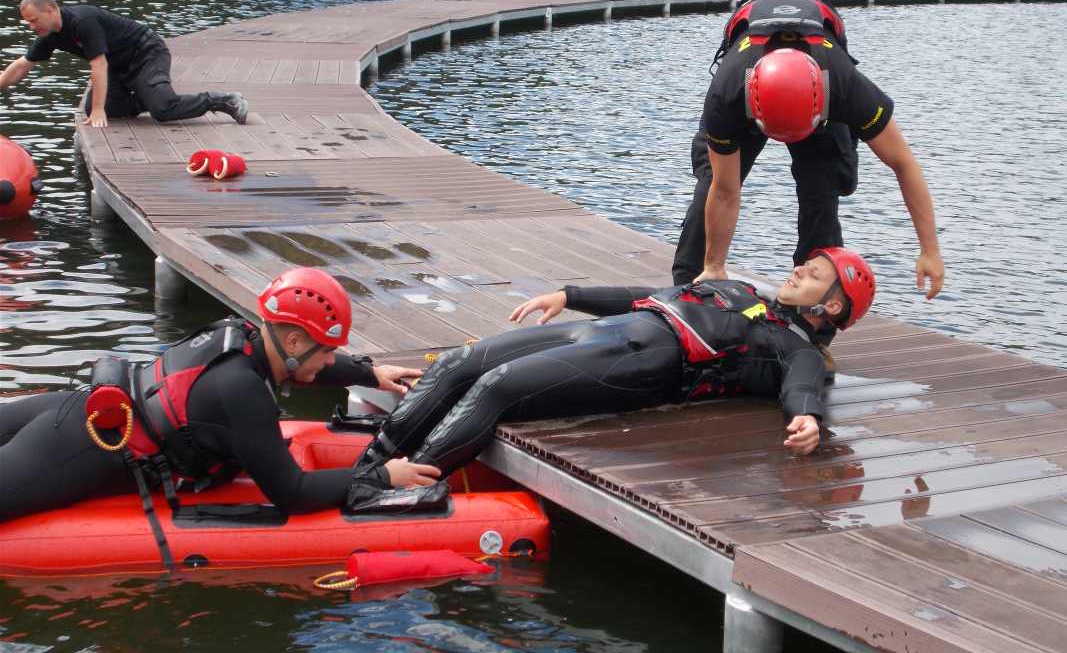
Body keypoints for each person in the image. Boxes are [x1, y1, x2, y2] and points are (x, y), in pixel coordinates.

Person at [356, 247, 876, 478]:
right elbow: (653, 293)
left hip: (646, 358)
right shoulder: (741, 291)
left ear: (830, 307)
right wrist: (569, 293)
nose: (796, 271)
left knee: (497, 384)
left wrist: (806, 418)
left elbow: (803, 387)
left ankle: (399, 489)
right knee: (458, 362)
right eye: (803, 264)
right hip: (607, 329)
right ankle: (370, 466)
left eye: (811, 274)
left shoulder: (796, 347)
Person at [0, 267, 439, 523]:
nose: (330, 362)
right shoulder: (242, 391)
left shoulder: (241, 335)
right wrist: (383, 478)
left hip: (73, 409)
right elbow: (295, 492)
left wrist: (370, 373)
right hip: (79, 448)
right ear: (292, 343)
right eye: (327, 352)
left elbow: (304, 367)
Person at [671, 0, 944, 302]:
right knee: (711, 184)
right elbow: (725, 191)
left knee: (823, 196)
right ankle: (688, 293)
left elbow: (903, 163)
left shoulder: (845, 86)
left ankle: (813, 313)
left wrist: (930, 250)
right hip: (752, 93)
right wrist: (715, 265)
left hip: (819, 104)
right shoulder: (727, 94)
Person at [0, 0, 248, 128]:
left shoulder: (82, 20)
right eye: (27, 22)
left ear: (50, 10)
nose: (31, 27)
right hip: (117, 68)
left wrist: (98, 110)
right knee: (94, 109)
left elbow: (98, 64)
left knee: (162, 110)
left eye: (33, 20)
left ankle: (222, 100)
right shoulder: (50, 34)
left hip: (146, 53)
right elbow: (22, 66)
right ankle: (147, 98)